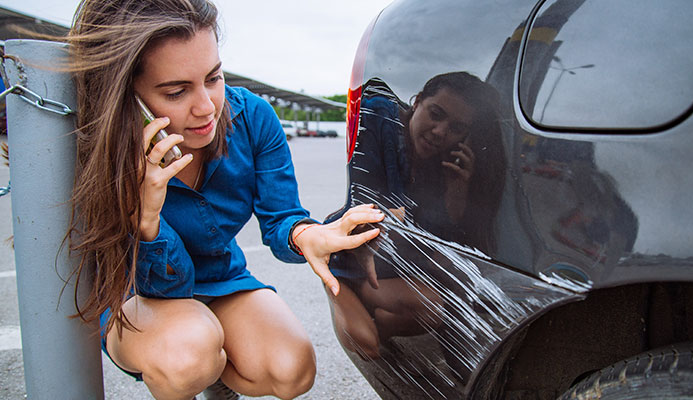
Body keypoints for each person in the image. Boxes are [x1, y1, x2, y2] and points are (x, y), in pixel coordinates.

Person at [62, 1, 384, 399]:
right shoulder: (101, 149)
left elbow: (281, 215)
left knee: (291, 369)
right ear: (130, 98)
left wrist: (305, 235)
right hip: (140, 292)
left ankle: (217, 378)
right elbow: (162, 285)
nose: (206, 108)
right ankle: (193, 375)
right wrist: (147, 220)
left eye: (213, 78)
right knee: (189, 353)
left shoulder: (253, 117)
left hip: (220, 279)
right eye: (176, 91)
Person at [327, 72, 506, 361]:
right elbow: (366, 201)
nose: (439, 132)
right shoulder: (379, 122)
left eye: (456, 128)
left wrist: (457, 192)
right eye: (436, 114)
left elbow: (445, 241)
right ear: (418, 101)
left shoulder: (441, 164)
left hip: (392, 264)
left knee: (434, 307)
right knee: (366, 344)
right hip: (354, 255)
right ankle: (335, 282)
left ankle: (374, 306)